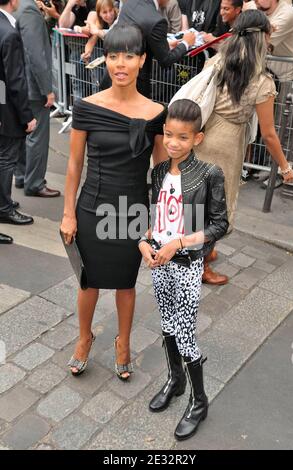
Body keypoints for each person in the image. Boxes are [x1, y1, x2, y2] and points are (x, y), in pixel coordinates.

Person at [60, 25, 168, 379]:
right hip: (92, 208)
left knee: (125, 284)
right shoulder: (86, 107)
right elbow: (75, 164)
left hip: (133, 211)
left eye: (129, 56)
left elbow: (162, 171)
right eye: (113, 55)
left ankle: (124, 342)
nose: (120, 64)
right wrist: (68, 214)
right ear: (105, 60)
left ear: (142, 60)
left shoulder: (156, 113)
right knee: (88, 282)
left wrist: (157, 220)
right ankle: (83, 338)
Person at [139, 99, 228, 441]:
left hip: (188, 264)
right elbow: (154, 219)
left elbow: (220, 224)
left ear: (198, 139)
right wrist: (143, 242)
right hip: (158, 262)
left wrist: (181, 242)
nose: (173, 143)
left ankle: (199, 401)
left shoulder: (209, 174)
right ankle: (175, 381)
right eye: (168, 135)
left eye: (183, 137)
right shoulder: (158, 172)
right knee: (167, 326)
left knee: (186, 333)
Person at [187, 9, 293, 284]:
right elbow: (269, 135)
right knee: (218, 207)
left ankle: (201, 250)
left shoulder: (217, 62)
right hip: (227, 142)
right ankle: (200, 265)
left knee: (201, 200)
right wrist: (284, 167)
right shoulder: (262, 81)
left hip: (204, 134)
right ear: (261, 41)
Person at [101, 0, 196, 98]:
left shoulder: (129, 3)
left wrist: (164, 45)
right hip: (134, 88)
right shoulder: (157, 21)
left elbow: (137, 36)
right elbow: (166, 60)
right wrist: (186, 43)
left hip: (111, 80)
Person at [14, 0, 61, 197]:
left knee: (24, 132)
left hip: (20, 82)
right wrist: (47, 89)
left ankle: (22, 175)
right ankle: (34, 183)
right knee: (37, 137)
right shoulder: (29, 10)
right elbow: (36, 54)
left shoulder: (19, 7)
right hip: (32, 86)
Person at [0, 0, 36, 227]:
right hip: (6, 108)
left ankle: (3, 203)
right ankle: (3, 207)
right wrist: (27, 116)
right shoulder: (9, 32)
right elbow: (15, 80)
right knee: (6, 159)